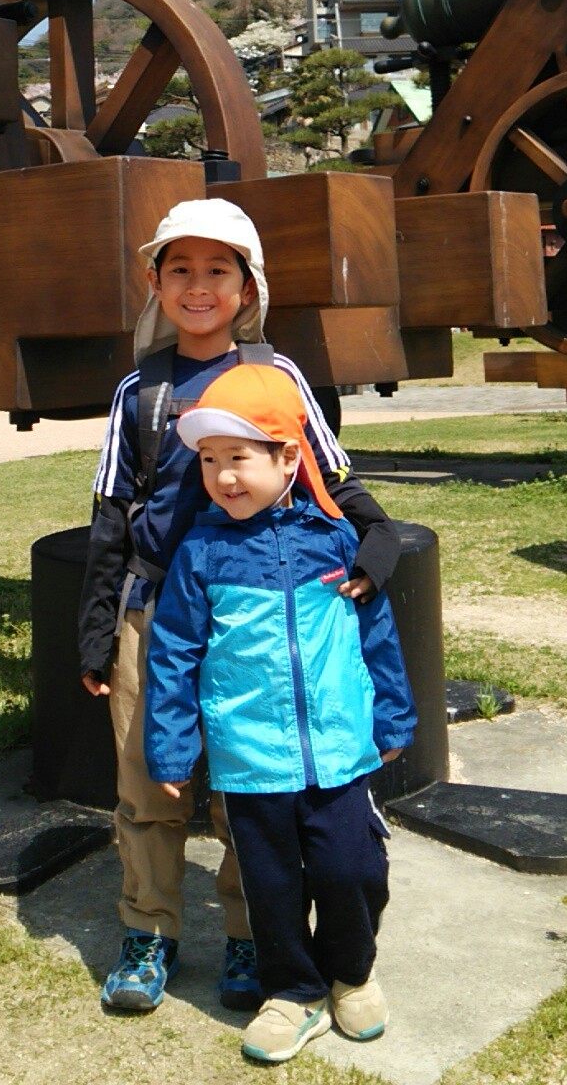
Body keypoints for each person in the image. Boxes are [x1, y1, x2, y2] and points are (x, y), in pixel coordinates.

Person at [77, 196, 401, 1014]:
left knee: (251, 785)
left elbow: (331, 477)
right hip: (157, 612)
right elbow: (113, 514)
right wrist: (96, 633)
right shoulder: (138, 393)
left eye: (217, 269)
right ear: (154, 280)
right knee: (150, 782)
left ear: (247, 285)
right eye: (179, 268)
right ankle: (150, 930)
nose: (197, 285)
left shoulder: (277, 376)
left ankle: (252, 934)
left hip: (261, 608)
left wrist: (376, 542)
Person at [144, 362, 415, 1065]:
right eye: (209, 461)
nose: (224, 477)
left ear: (289, 457)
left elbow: (376, 633)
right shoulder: (200, 554)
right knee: (270, 884)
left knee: (351, 869)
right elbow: (172, 653)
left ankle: (350, 973)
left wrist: (392, 717)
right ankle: (293, 993)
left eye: (239, 458)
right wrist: (173, 749)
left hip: (339, 749)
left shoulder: (335, 540)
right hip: (251, 758)